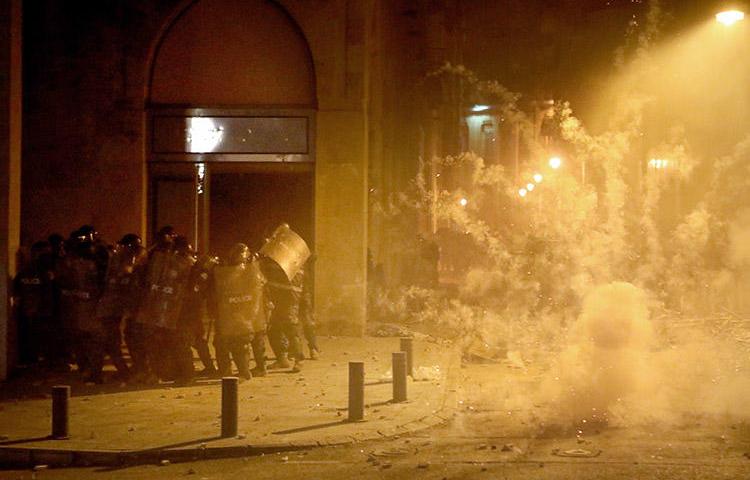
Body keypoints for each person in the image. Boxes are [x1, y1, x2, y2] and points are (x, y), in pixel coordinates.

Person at [137, 234, 195, 382]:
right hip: (170, 310)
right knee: (171, 343)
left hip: (183, 311)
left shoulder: (188, 264)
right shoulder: (169, 263)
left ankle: (187, 376)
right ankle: (175, 373)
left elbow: (188, 288)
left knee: (181, 343)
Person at [209, 243, 270, 379]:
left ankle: (246, 369)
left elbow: (260, 288)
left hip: (247, 310)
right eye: (239, 254)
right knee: (225, 341)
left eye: (244, 254)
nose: (241, 257)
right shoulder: (227, 270)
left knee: (242, 341)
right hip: (230, 310)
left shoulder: (252, 271)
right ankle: (228, 370)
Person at [56, 228, 107, 383]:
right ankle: (90, 372)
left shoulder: (93, 261)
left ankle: (92, 372)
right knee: (85, 340)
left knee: (90, 340)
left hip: (89, 306)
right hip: (83, 306)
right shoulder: (78, 261)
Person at [95, 233, 146, 381]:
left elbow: (128, 278)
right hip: (114, 310)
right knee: (114, 341)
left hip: (127, 310)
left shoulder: (136, 263)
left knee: (127, 340)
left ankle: (135, 371)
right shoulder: (118, 261)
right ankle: (127, 371)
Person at [174, 250, 218, 384]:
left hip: (189, 312)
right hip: (195, 311)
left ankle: (188, 375)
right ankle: (209, 367)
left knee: (184, 342)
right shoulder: (206, 273)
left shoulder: (199, 274)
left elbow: (194, 292)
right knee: (199, 341)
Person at [13, 241, 56, 366]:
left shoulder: (23, 273)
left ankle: (29, 358)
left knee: (28, 336)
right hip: (37, 311)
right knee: (35, 336)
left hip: (28, 311)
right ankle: (33, 359)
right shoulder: (43, 274)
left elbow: (17, 292)